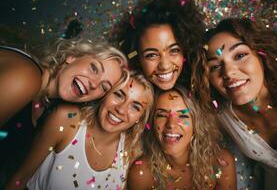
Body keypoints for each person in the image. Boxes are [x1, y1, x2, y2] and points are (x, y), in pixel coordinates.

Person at [0, 39, 128, 187]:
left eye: (104, 87)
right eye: (94, 68)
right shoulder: (28, 77)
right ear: (72, 56)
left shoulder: (46, 110)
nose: (94, 84)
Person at [192, 18, 277, 189]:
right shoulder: (220, 116)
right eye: (214, 67)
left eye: (240, 56)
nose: (228, 73)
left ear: (262, 54)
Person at [5, 71, 154, 190]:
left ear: (139, 119)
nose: (121, 109)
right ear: (105, 94)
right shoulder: (67, 119)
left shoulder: (134, 153)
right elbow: (20, 178)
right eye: (118, 94)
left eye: (135, 107)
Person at [128, 85, 236, 189]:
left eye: (183, 115)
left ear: (196, 123)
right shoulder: (141, 174)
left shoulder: (222, 163)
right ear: (152, 122)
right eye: (161, 115)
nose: (171, 124)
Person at [110, 0, 205, 90]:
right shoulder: (125, 94)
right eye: (151, 55)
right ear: (137, 58)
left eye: (174, 50)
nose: (164, 66)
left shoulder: (202, 90)